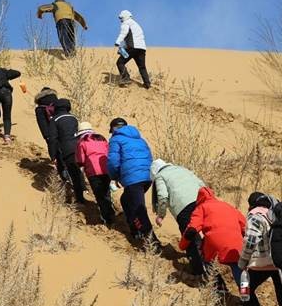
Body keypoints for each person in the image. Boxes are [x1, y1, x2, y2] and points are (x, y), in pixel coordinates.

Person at [179, 187, 247, 294]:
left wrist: (182, 245)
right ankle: (247, 296)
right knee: (238, 268)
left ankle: (219, 288)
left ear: (199, 199)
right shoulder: (228, 206)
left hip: (215, 245)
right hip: (236, 245)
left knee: (207, 261)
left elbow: (192, 230)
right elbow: (245, 226)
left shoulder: (201, 208)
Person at [107, 117, 161, 249]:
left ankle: (153, 243)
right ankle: (135, 229)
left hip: (133, 179)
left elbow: (113, 161)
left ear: (113, 129)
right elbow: (149, 156)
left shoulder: (116, 139)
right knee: (126, 200)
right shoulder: (140, 139)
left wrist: (115, 176)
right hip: (147, 177)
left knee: (139, 209)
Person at [150, 159, 206, 276]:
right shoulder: (181, 169)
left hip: (184, 209)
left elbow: (162, 196)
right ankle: (213, 264)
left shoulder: (160, 176)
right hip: (202, 203)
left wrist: (161, 215)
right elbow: (201, 184)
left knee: (189, 239)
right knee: (206, 234)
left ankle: (199, 271)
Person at [47, 99, 87, 204]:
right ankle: (83, 190)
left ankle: (79, 199)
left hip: (66, 149)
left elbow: (52, 139)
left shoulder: (55, 120)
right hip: (79, 147)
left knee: (73, 173)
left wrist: (52, 155)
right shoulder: (74, 118)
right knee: (78, 171)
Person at [75, 122, 115, 226]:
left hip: (93, 171)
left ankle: (107, 218)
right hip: (106, 169)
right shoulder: (101, 138)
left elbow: (81, 159)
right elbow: (108, 151)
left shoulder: (82, 142)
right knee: (106, 192)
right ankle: (111, 212)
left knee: (99, 195)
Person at [34, 87, 67, 182]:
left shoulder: (40, 108)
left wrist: (46, 136)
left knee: (55, 152)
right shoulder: (58, 103)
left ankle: (61, 171)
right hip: (64, 131)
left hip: (50, 133)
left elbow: (42, 123)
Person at [114, 10, 150, 89]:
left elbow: (124, 33)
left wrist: (117, 42)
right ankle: (147, 84)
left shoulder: (126, 23)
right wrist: (122, 49)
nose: (121, 20)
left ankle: (126, 78)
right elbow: (131, 37)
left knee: (120, 62)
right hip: (142, 49)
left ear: (125, 17)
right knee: (142, 67)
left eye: (121, 17)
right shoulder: (136, 24)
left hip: (132, 48)